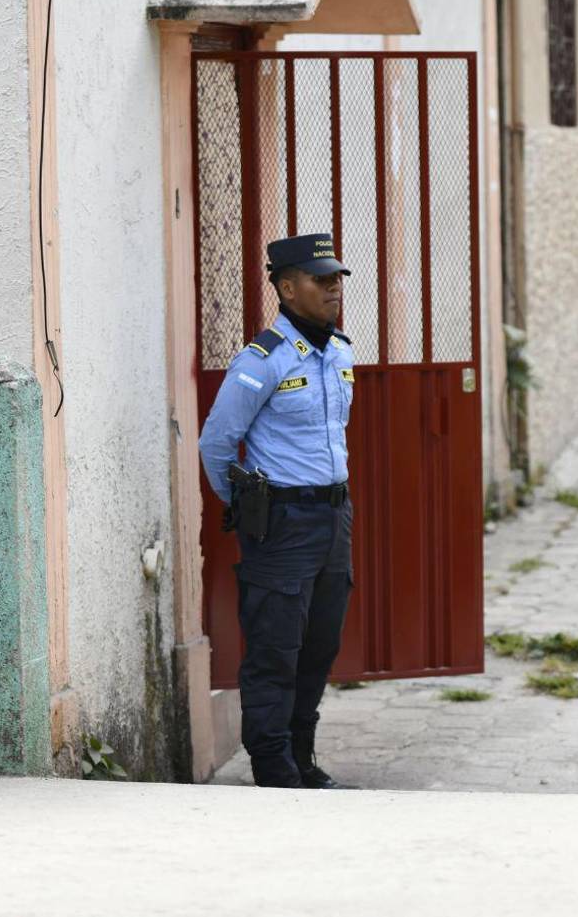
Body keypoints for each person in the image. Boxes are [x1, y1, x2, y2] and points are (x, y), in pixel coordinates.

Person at [198, 233, 357, 789]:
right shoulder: (261, 359)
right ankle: (272, 765)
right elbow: (217, 441)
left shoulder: (339, 351)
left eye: (337, 278)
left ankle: (302, 756)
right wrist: (246, 506)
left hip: (334, 517)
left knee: (320, 643)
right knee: (275, 647)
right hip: (283, 522)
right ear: (288, 288)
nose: (333, 288)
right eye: (320, 279)